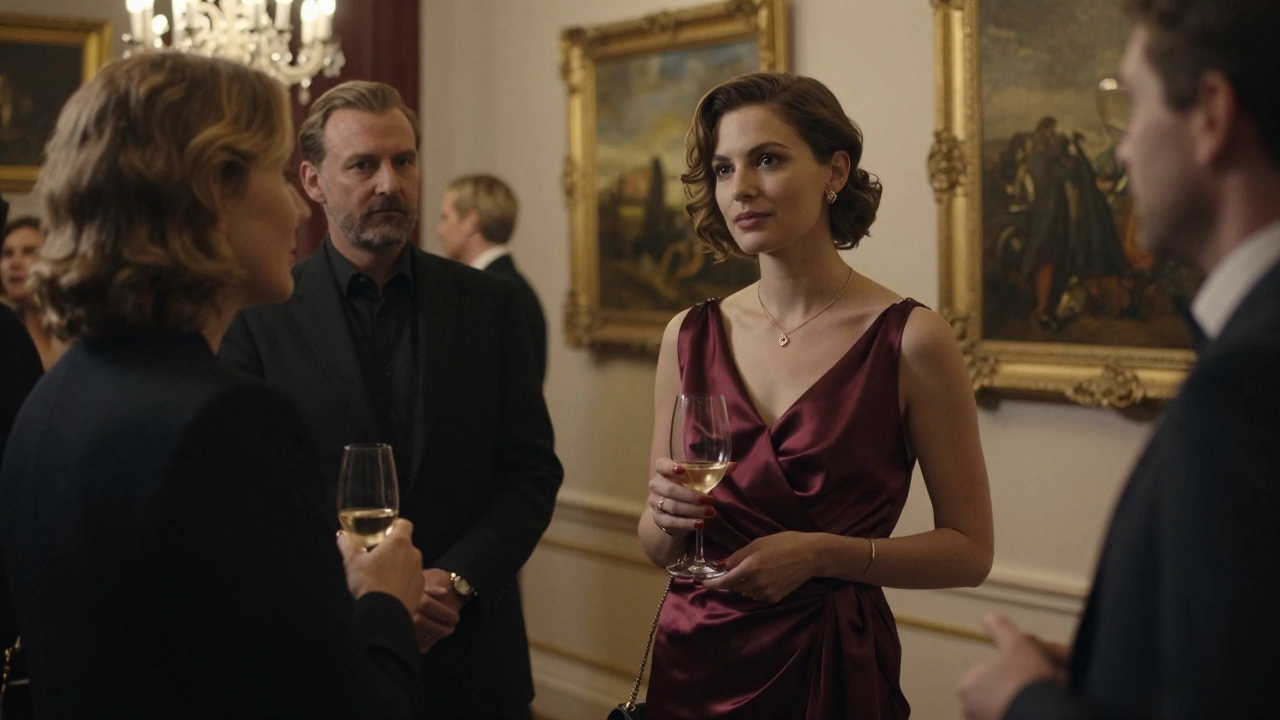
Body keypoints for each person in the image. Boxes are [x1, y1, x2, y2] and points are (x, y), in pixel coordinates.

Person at [0, 52, 428, 719]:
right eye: (278, 172)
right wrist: (383, 601)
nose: (295, 205)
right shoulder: (226, 423)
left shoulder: (59, 394)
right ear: (213, 195)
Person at [957, 1, 1280, 718]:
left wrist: (1024, 702)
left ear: (1212, 116)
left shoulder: (1248, 385)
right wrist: (1111, 675)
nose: (1125, 148)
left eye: (1132, 107)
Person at [638, 72, 995, 719]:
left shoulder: (911, 340)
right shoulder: (687, 337)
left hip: (832, 669)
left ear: (835, 171)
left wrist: (825, 555)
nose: (739, 188)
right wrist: (662, 517)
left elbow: (970, 552)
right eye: (722, 169)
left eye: (766, 160)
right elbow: (660, 547)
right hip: (693, 665)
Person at [219, 80, 563, 720]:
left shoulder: (490, 305)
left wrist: (454, 584)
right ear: (313, 181)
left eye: (403, 161)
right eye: (363, 165)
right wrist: (369, 592)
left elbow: (531, 473)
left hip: (472, 663)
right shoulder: (259, 317)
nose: (390, 184)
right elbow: (249, 496)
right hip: (325, 658)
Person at [437, 174, 548, 384]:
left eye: (445, 218)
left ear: (470, 222)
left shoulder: (487, 292)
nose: (439, 232)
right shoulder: (512, 285)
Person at [1, 218, 66, 369]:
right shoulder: (5, 331)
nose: (14, 263)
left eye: (30, 252)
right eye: (7, 253)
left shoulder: (81, 334)